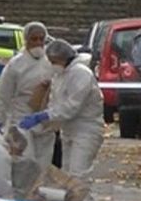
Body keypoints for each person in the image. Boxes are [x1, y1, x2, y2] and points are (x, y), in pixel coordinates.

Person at [18, 39, 105, 180]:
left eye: (53, 61)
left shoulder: (81, 74)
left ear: (62, 58)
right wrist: (44, 122)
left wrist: (44, 116)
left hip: (86, 130)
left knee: (78, 174)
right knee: (67, 174)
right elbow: (56, 103)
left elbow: (71, 107)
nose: (52, 65)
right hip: (69, 130)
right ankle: (73, 195)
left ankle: (83, 195)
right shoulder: (60, 75)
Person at [0, 21, 55, 170]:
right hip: (21, 118)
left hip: (45, 119)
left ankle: (38, 185)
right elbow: (3, 94)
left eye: (41, 39)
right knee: (24, 162)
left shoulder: (50, 61)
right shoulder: (15, 65)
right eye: (34, 39)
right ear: (26, 40)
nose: (38, 43)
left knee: (43, 163)